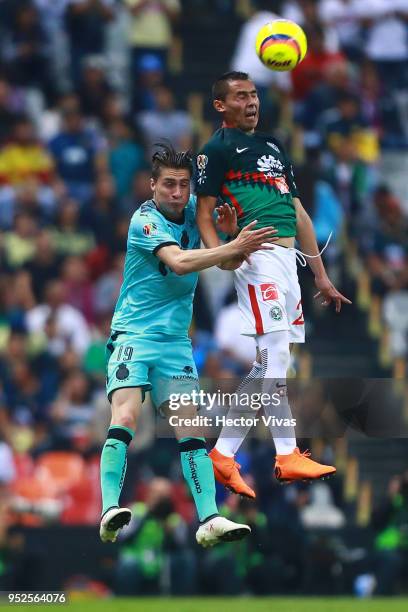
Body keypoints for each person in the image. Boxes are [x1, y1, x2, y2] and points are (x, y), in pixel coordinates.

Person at [99, 142, 278, 547]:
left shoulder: (198, 212)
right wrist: (230, 246)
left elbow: (229, 261)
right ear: (152, 186)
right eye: (168, 185)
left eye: (182, 184)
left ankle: (209, 519)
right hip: (134, 336)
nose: (177, 192)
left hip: (175, 344)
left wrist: (229, 233)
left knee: (191, 430)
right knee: (125, 416)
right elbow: (180, 262)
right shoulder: (143, 220)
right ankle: (109, 508)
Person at [196, 71, 351, 498]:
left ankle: (240, 456)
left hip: (287, 262)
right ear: (221, 105)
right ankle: (268, 453)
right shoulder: (216, 150)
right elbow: (205, 213)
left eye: (255, 95)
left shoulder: (273, 146)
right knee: (275, 358)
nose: (252, 103)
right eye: (242, 96)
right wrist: (221, 255)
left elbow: (298, 212)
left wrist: (319, 273)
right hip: (256, 256)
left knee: (272, 364)